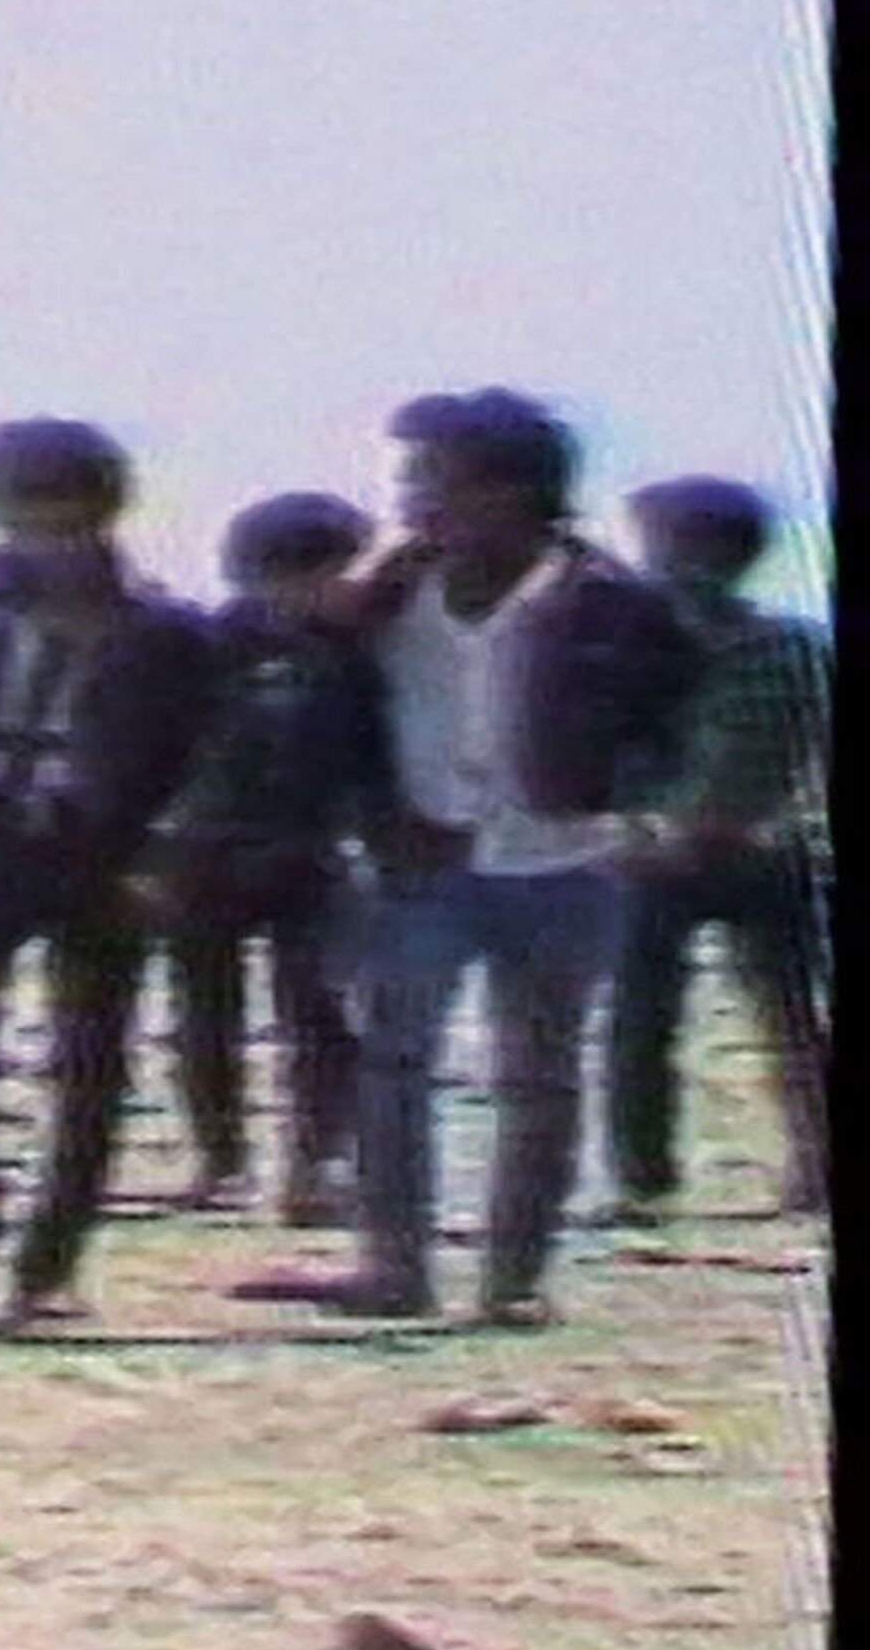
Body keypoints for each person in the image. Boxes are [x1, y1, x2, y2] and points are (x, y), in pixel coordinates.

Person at [249, 389, 702, 1328]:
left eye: (432, 478)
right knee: (394, 1067)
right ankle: (395, 1268)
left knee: (539, 1076)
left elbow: (671, 725)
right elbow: (330, 715)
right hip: (423, 867)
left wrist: (618, 804)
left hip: (564, 864)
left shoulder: (612, 606)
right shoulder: (387, 599)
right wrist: (378, 819)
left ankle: (515, 1280)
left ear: (511, 492)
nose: (411, 498)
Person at [0, 418, 215, 1329]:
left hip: (105, 855)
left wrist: (164, 859)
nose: (18, 525)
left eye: (32, 503)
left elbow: (202, 758)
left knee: (91, 1059)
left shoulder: (167, 629)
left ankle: (51, 1260)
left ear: (91, 506)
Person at [134, 491, 391, 1226]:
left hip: (311, 851)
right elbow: (155, 747)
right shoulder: (203, 647)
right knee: (205, 1013)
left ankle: (315, 1164)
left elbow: (377, 755)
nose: (341, 589)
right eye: (329, 573)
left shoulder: (358, 655)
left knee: (322, 1014)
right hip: (205, 851)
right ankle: (220, 1159)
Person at [603, 474, 832, 1222]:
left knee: (785, 1019)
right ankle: (644, 1179)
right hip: (686, 853)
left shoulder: (784, 648)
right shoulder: (639, 652)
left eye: (660, 544)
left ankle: (806, 1169)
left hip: (752, 852)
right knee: (648, 1024)